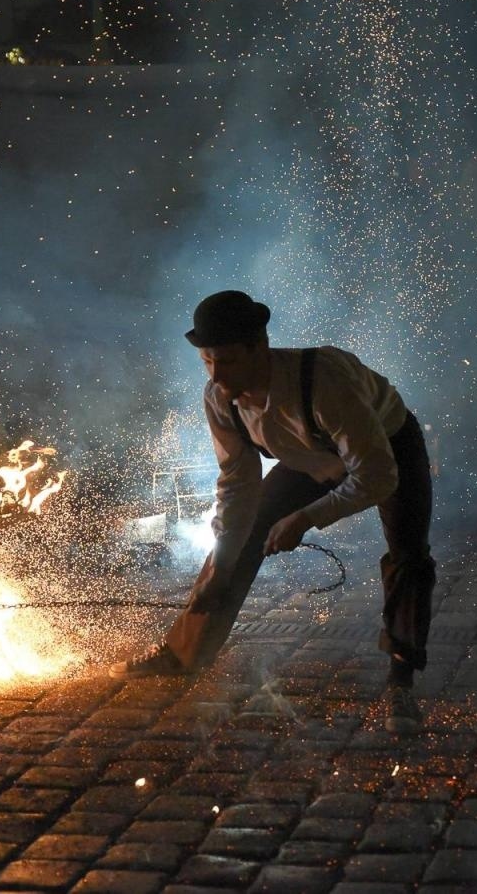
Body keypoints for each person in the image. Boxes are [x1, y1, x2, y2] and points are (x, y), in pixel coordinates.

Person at [112, 290, 436, 733]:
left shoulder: (324, 381)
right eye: (207, 362)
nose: (217, 376)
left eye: (226, 361)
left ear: (259, 347)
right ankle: (184, 652)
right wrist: (220, 569)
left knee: (408, 554)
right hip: (310, 459)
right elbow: (236, 487)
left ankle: (401, 679)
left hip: (386, 446)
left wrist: (305, 518)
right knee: (243, 534)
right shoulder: (219, 399)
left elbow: (377, 476)